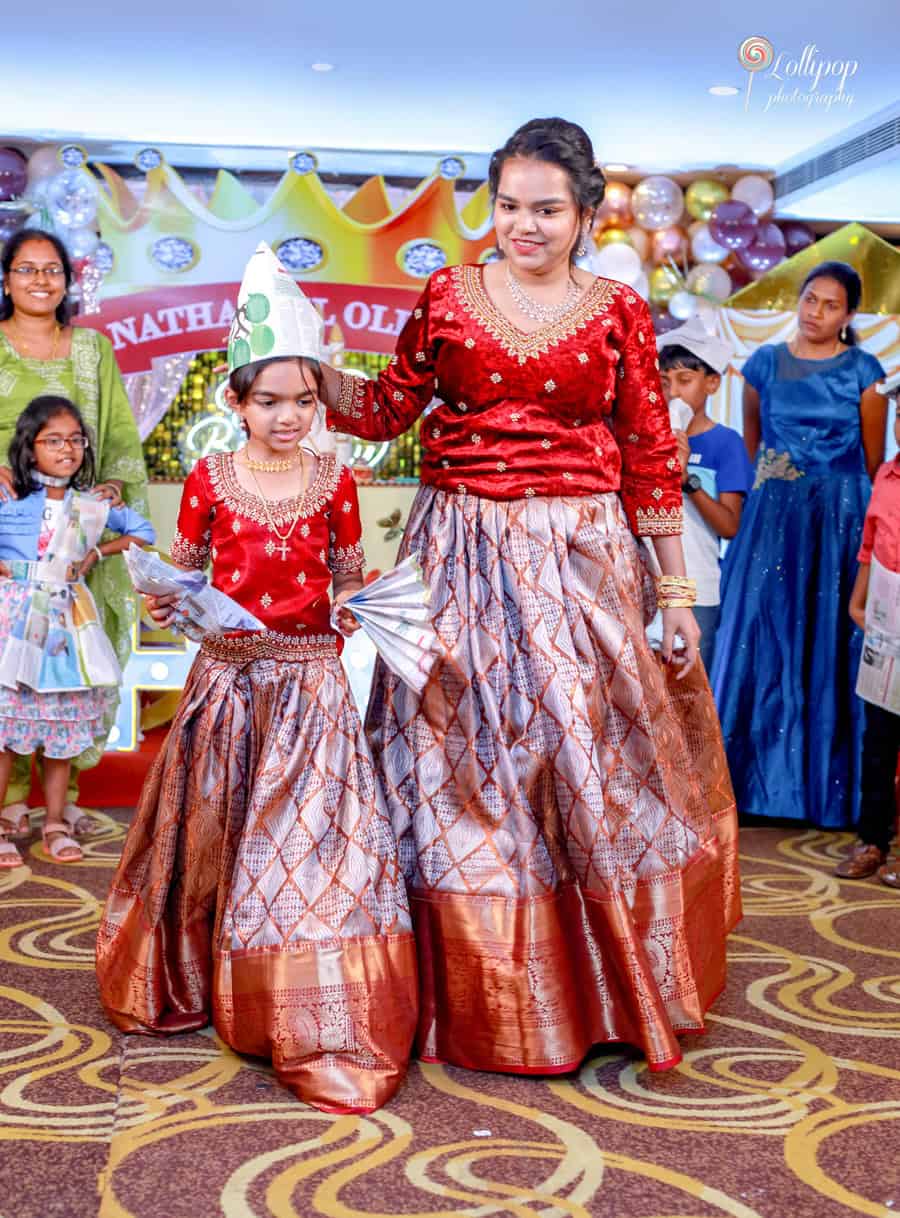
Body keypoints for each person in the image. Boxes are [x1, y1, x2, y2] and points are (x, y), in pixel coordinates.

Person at [317, 118, 741, 1075]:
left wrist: (673, 591)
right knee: (452, 758)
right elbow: (388, 410)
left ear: (586, 215)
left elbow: (646, 456)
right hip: (459, 546)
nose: (525, 225)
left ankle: (598, 983)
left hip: (579, 555)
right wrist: (308, 375)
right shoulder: (448, 295)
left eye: (548, 210)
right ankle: (468, 986)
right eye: (509, 206)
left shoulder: (619, 310)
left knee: (581, 755)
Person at [96, 244, 417, 1114]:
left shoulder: (337, 478)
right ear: (233, 400)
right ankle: (206, 975)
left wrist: (358, 604)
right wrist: (171, 606)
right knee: (214, 828)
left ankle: (296, 995)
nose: (289, 416)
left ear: (322, 402)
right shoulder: (207, 476)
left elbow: (347, 571)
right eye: (269, 400)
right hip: (228, 681)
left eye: (305, 400)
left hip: (311, 686)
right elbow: (189, 573)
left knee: (308, 845)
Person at [711, 261, 886, 827]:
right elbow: (757, 439)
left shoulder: (864, 368)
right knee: (763, 633)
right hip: (774, 513)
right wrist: (778, 484)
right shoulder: (765, 362)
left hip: (838, 515)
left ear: (850, 315)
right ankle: (753, 786)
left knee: (830, 638)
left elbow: (874, 458)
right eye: (810, 300)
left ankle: (831, 794)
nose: (816, 312)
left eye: (830, 305)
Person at [0, 228, 149, 840]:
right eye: (27, 269)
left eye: (52, 270)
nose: (41, 281)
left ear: (68, 280)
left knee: (73, 662)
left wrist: (111, 485)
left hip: (75, 531)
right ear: (5, 279)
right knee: (7, 669)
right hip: (10, 539)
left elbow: (115, 434)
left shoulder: (91, 350)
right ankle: (10, 801)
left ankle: (63, 800)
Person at [0, 395, 154, 867]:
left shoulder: (93, 503)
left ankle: (54, 822)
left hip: (67, 625)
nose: (67, 449)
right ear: (29, 449)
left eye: (75, 440)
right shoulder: (8, 498)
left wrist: (98, 554)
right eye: (53, 440)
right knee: (5, 731)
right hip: (12, 621)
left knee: (60, 724)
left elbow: (143, 532)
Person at [657, 319, 753, 672]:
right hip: (646, 582)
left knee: (692, 689)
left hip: (698, 589)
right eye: (665, 382)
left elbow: (729, 525)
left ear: (712, 383)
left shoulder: (725, 443)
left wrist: (688, 481)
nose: (673, 392)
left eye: (684, 380)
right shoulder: (645, 440)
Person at [835, 389, 900, 880]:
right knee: (877, 736)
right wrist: (857, 601)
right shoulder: (886, 475)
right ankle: (873, 840)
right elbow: (870, 544)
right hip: (884, 620)